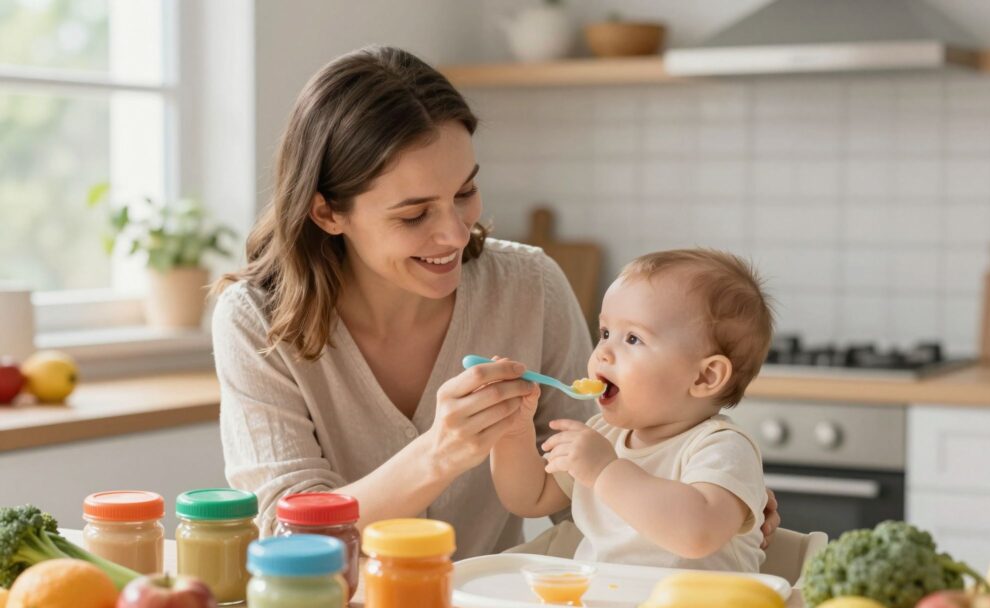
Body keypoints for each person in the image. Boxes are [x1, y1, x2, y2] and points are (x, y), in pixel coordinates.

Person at [211, 45, 780, 559]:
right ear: (327, 213)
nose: (457, 235)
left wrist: (695, 494)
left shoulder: (529, 286)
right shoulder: (254, 322)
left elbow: (582, 487)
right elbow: (287, 534)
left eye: (464, 194)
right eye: (414, 216)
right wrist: (441, 452)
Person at [490, 249, 774, 572]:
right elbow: (530, 497)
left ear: (704, 376)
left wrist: (605, 471)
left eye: (633, 339)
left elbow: (697, 534)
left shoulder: (722, 448)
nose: (603, 353)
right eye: (606, 333)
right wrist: (512, 431)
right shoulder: (603, 435)